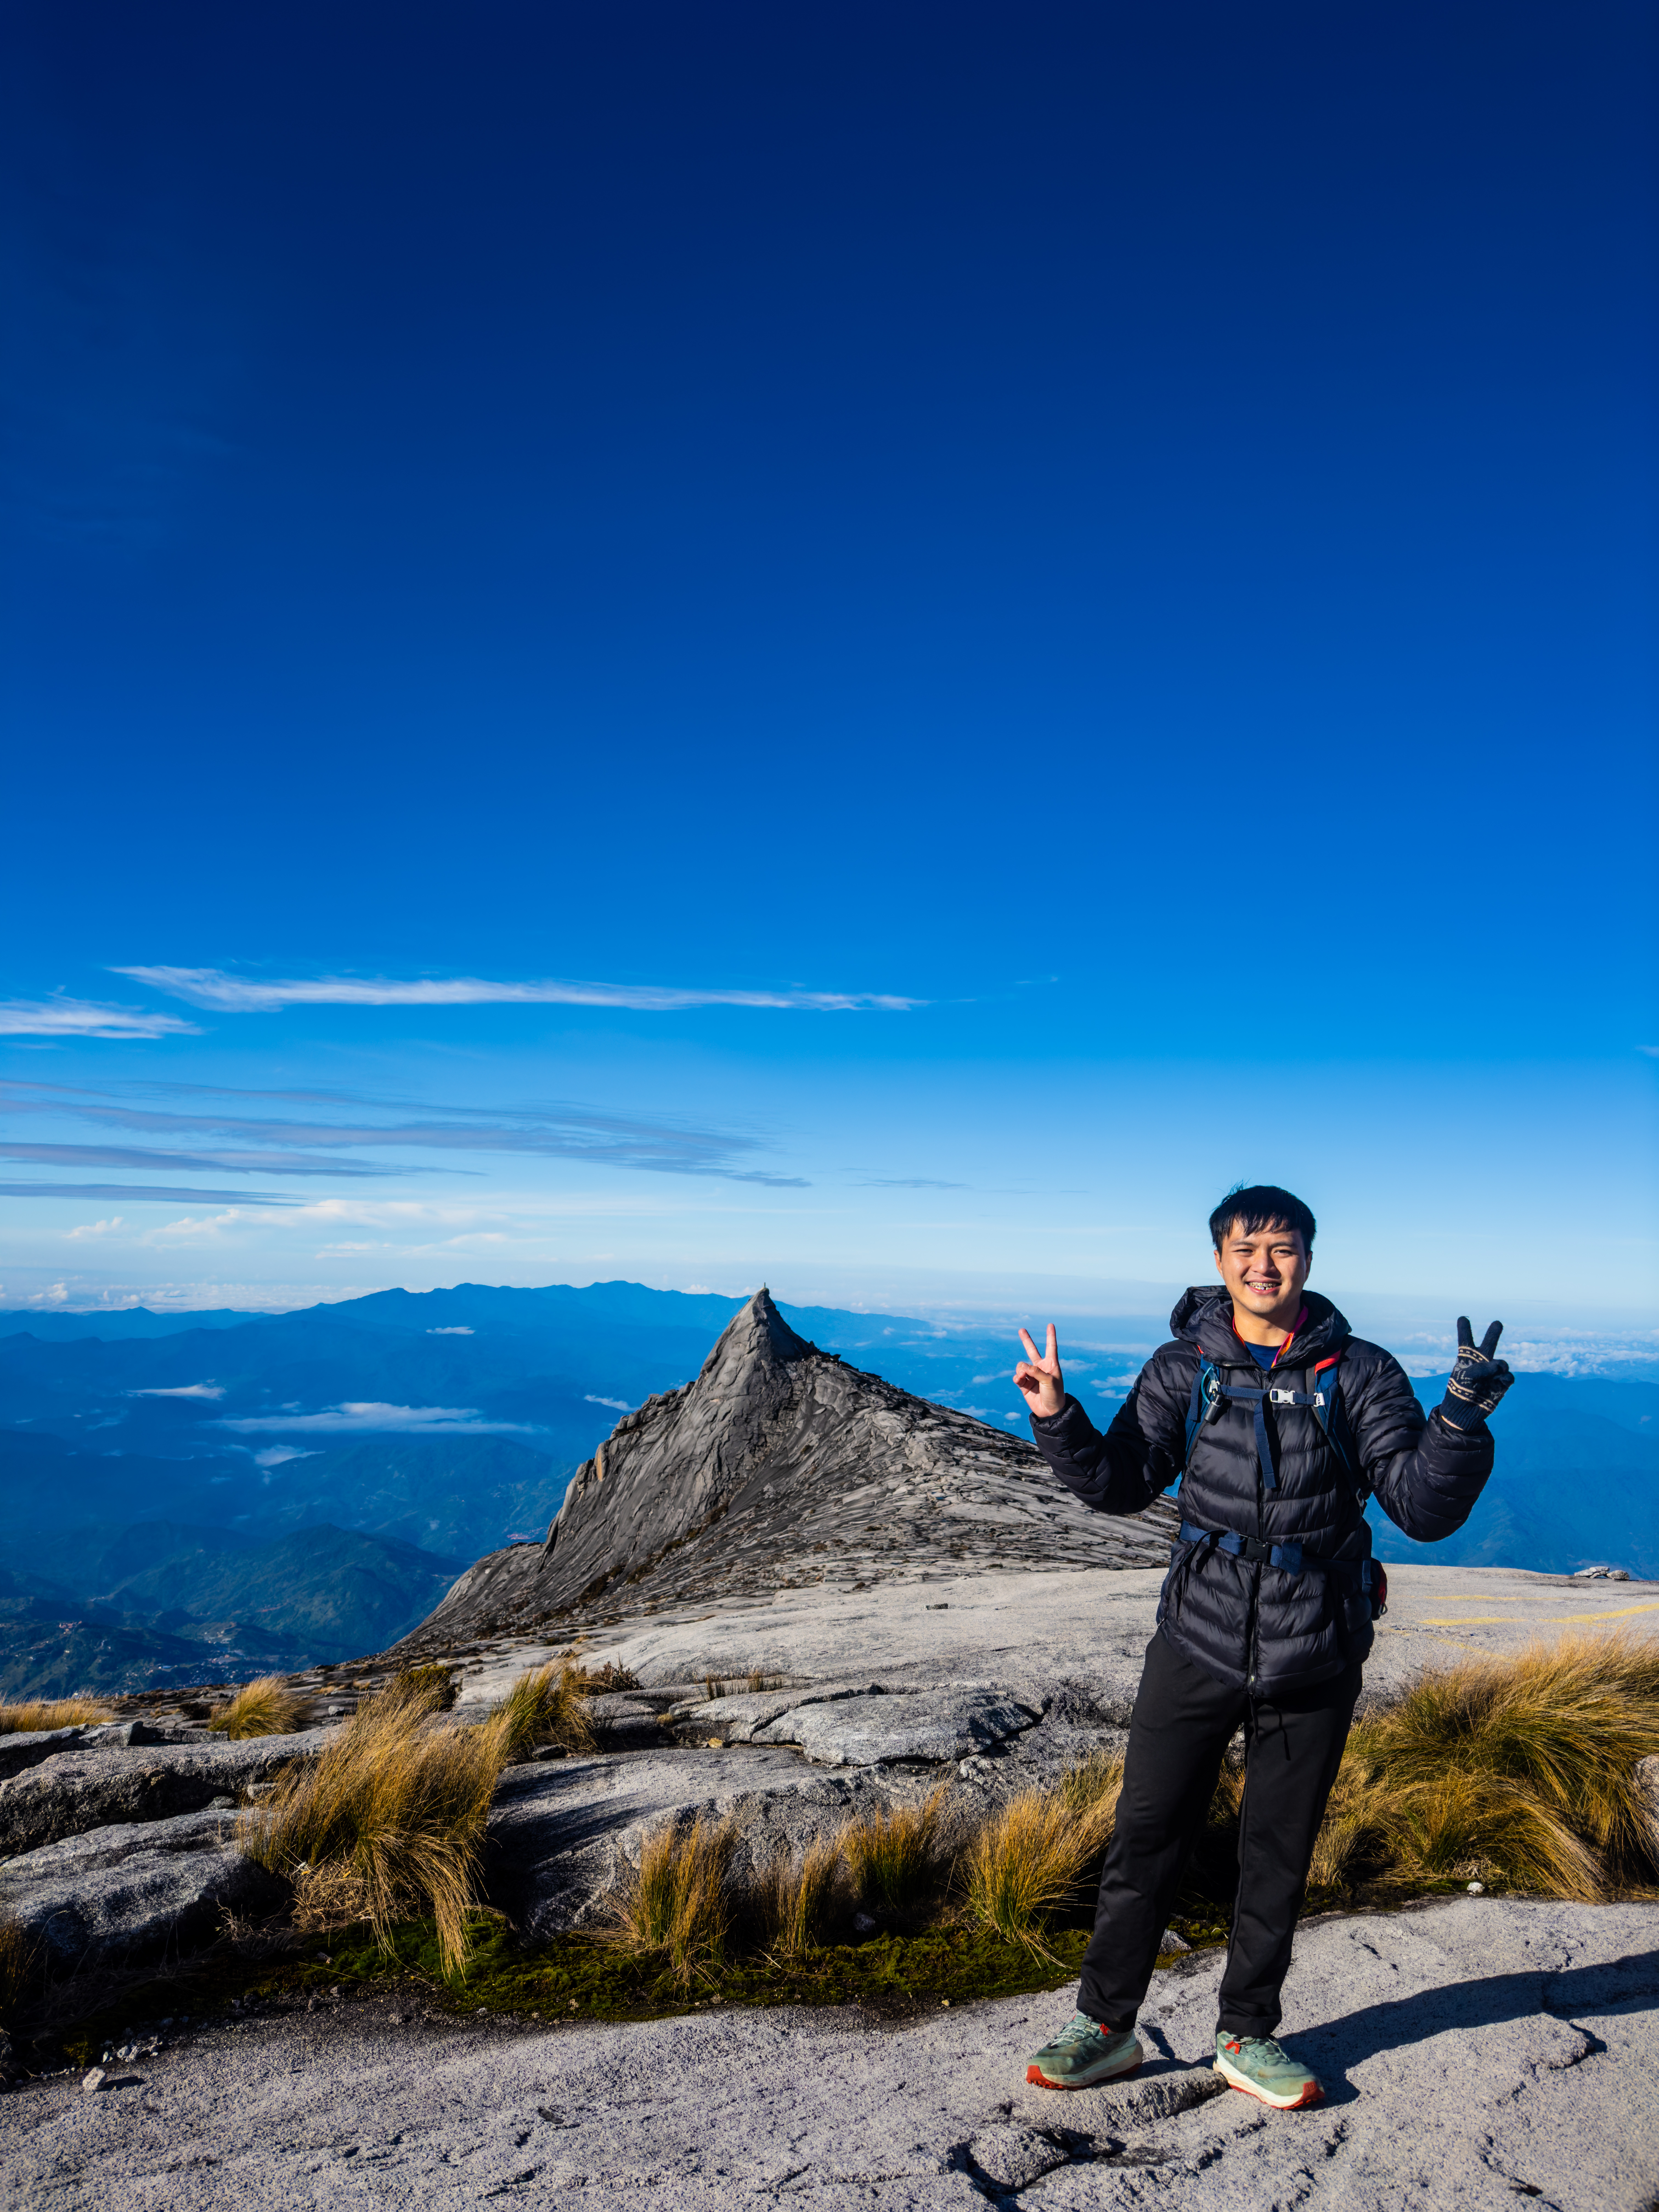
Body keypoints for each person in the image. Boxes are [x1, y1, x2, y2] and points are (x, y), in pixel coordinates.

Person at [1013, 1183, 1511, 2110]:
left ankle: (1247, 2032)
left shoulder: (1359, 1372)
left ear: (1309, 1260)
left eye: (1282, 1249)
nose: (1263, 1265)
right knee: (1146, 1836)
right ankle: (1106, 2027)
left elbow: (1419, 1508)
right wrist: (1056, 1415)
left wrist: (1458, 1423)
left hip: (1314, 1649)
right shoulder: (1185, 1367)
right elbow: (1124, 1482)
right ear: (1218, 1262)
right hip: (1196, 1639)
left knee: (1277, 1852)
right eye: (1245, 1249)